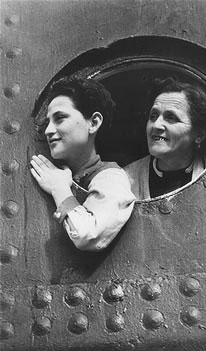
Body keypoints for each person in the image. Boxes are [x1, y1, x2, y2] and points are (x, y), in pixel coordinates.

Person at [30, 76, 135, 251]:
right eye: (48, 122)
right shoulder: (53, 170)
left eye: (60, 118)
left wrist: (59, 188)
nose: (48, 130)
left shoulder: (111, 177)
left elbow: (89, 234)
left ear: (93, 123)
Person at [124, 77, 206, 200]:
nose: (156, 125)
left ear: (199, 135)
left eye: (171, 118)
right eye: (153, 116)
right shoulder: (126, 179)